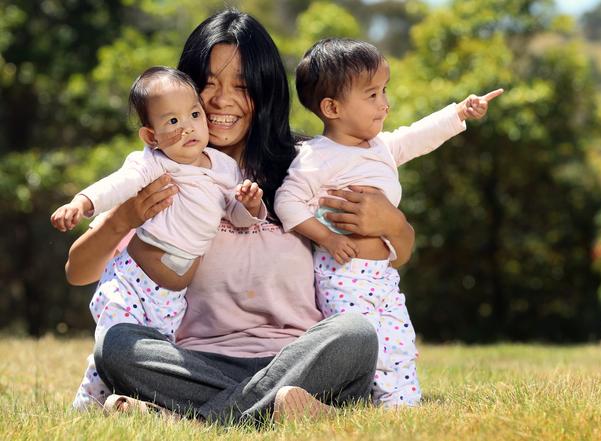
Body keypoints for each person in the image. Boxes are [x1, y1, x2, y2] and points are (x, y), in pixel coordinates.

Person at [64, 9, 415, 425]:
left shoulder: (306, 168)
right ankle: (274, 411)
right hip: (195, 364)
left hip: (299, 361)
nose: (221, 100)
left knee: (356, 335)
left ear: (264, 93)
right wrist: (121, 219)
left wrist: (395, 224)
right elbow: (79, 269)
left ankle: (189, 418)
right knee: (117, 345)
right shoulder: (162, 170)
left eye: (242, 87)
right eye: (207, 84)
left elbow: (387, 258)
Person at [275, 38, 502, 407]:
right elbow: (287, 203)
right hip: (342, 274)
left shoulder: (380, 146)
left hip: (382, 273)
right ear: (332, 107)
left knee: (398, 340)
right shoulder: (317, 157)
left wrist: (458, 113)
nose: (385, 103)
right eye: (372, 95)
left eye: (384, 90)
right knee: (369, 344)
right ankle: (357, 400)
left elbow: (417, 137)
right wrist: (328, 240)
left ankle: (403, 405)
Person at [51, 66, 266, 410]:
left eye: (194, 115)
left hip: (172, 299)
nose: (188, 128)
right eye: (172, 122)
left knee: (156, 353)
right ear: (151, 137)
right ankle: (87, 406)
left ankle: (135, 406)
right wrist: (83, 202)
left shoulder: (223, 167)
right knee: (115, 344)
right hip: (132, 281)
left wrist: (250, 206)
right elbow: (117, 184)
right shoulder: (154, 164)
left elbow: (236, 215)